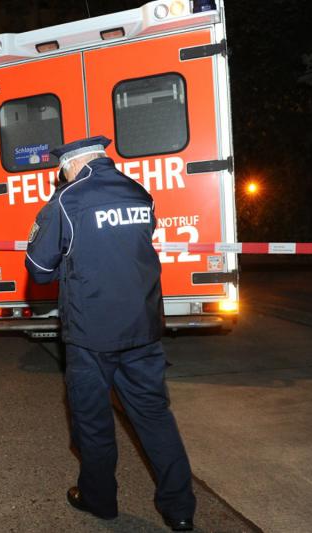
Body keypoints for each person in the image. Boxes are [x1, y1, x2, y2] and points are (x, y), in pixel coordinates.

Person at [25, 135, 196, 531]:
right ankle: (181, 510)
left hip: (92, 333)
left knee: (93, 420)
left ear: (71, 165)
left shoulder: (67, 200)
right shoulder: (139, 193)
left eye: (61, 171)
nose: (60, 176)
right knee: (155, 417)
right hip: (143, 327)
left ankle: (99, 501)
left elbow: (38, 268)